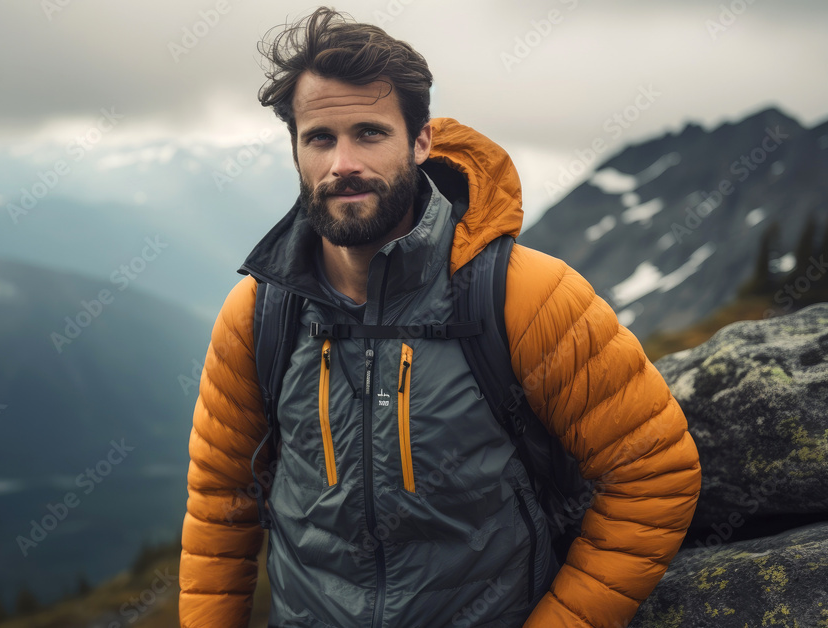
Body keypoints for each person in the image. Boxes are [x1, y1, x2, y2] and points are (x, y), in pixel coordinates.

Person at [179, 7, 701, 627]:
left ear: (422, 140)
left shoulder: (527, 296)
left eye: (370, 133)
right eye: (319, 138)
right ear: (296, 148)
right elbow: (219, 507)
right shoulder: (261, 311)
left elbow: (654, 474)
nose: (342, 163)